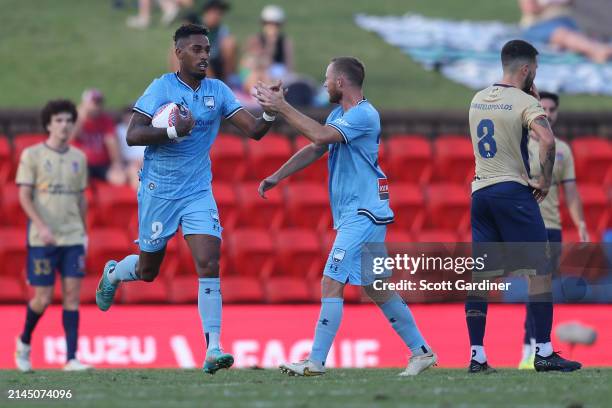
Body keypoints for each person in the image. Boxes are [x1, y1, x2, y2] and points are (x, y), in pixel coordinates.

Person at [95, 24, 277, 375]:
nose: (205, 55)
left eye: (207, 49)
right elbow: (133, 135)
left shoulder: (218, 90)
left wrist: (270, 109)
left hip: (197, 191)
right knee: (149, 271)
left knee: (209, 262)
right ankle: (116, 273)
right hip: (158, 191)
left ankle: (213, 348)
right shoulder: (160, 87)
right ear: (178, 53)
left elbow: (254, 131)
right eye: (196, 49)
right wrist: (172, 130)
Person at [255, 56, 436, 377]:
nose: (323, 84)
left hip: (363, 212)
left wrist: (282, 107)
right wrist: (278, 176)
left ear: (341, 82)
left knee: (331, 279)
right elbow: (316, 146)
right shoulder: (341, 114)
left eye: (327, 78)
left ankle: (315, 360)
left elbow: (322, 136)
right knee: (378, 288)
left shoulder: (365, 115)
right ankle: (421, 352)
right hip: (365, 211)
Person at [467, 39, 581, 373]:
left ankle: (477, 355)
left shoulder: (477, 99)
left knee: (481, 276)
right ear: (528, 69)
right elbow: (547, 140)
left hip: (480, 193)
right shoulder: (523, 101)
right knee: (541, 270)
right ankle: (543, 351)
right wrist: (544, 181)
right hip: (512, 191)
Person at [14, 100, 91, 372]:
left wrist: (84, 233)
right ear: (48, 124)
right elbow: (23, 195)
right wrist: (41, 226)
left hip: (72, 236)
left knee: (72, 296)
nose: (64, 125)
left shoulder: (79, 158)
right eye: (58, 120)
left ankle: (71, 358)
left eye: (69, 120)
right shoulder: (32, 155)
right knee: (43, 298)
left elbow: (82, 198)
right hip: (42, 239)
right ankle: (24, 342)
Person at [518, 91, 589, 369]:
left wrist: (581, 222)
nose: (547, 113)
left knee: (542, 291)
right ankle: (532, 349)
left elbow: (571, 191)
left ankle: (536, 349)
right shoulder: (520, 145)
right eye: (542, 108)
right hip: (526, 228)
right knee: (536, 289)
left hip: (553, 229)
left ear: (557, 113)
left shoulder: (562, 150)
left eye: (551, 109)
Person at [519, 0, 612, 63]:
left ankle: (592, 47)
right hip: (540, 23)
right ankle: (596, 50)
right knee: (563, 34)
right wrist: (552, 3)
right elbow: (530, 9)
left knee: (582, 32)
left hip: (568, 20)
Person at [71, 89, 127, 185]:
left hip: (102, 164)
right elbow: (72, 137)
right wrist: (80, 115)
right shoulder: (76, 119)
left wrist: (116, 163)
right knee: (80, 179)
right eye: (93, 103)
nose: (96, 107)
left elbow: (111, 142)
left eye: (99, 103)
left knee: (120, 179)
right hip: (83, 164)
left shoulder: (105, 120)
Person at [244, 5, 294, 80]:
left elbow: (289, 66)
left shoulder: (285, 42)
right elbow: (250, 64)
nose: (272, 27)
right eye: (269, 23)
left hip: (278, 76)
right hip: (256, 76)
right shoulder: (255, 40)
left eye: (276, 24)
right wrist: (270, 44)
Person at [116, 106, 146, 189]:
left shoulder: (144, 129)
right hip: (129, 163)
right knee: (134, 171)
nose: (131, 117)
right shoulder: (118, 130)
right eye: (128, 114)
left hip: (146, 161)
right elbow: (118, 152)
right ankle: (139, 199)